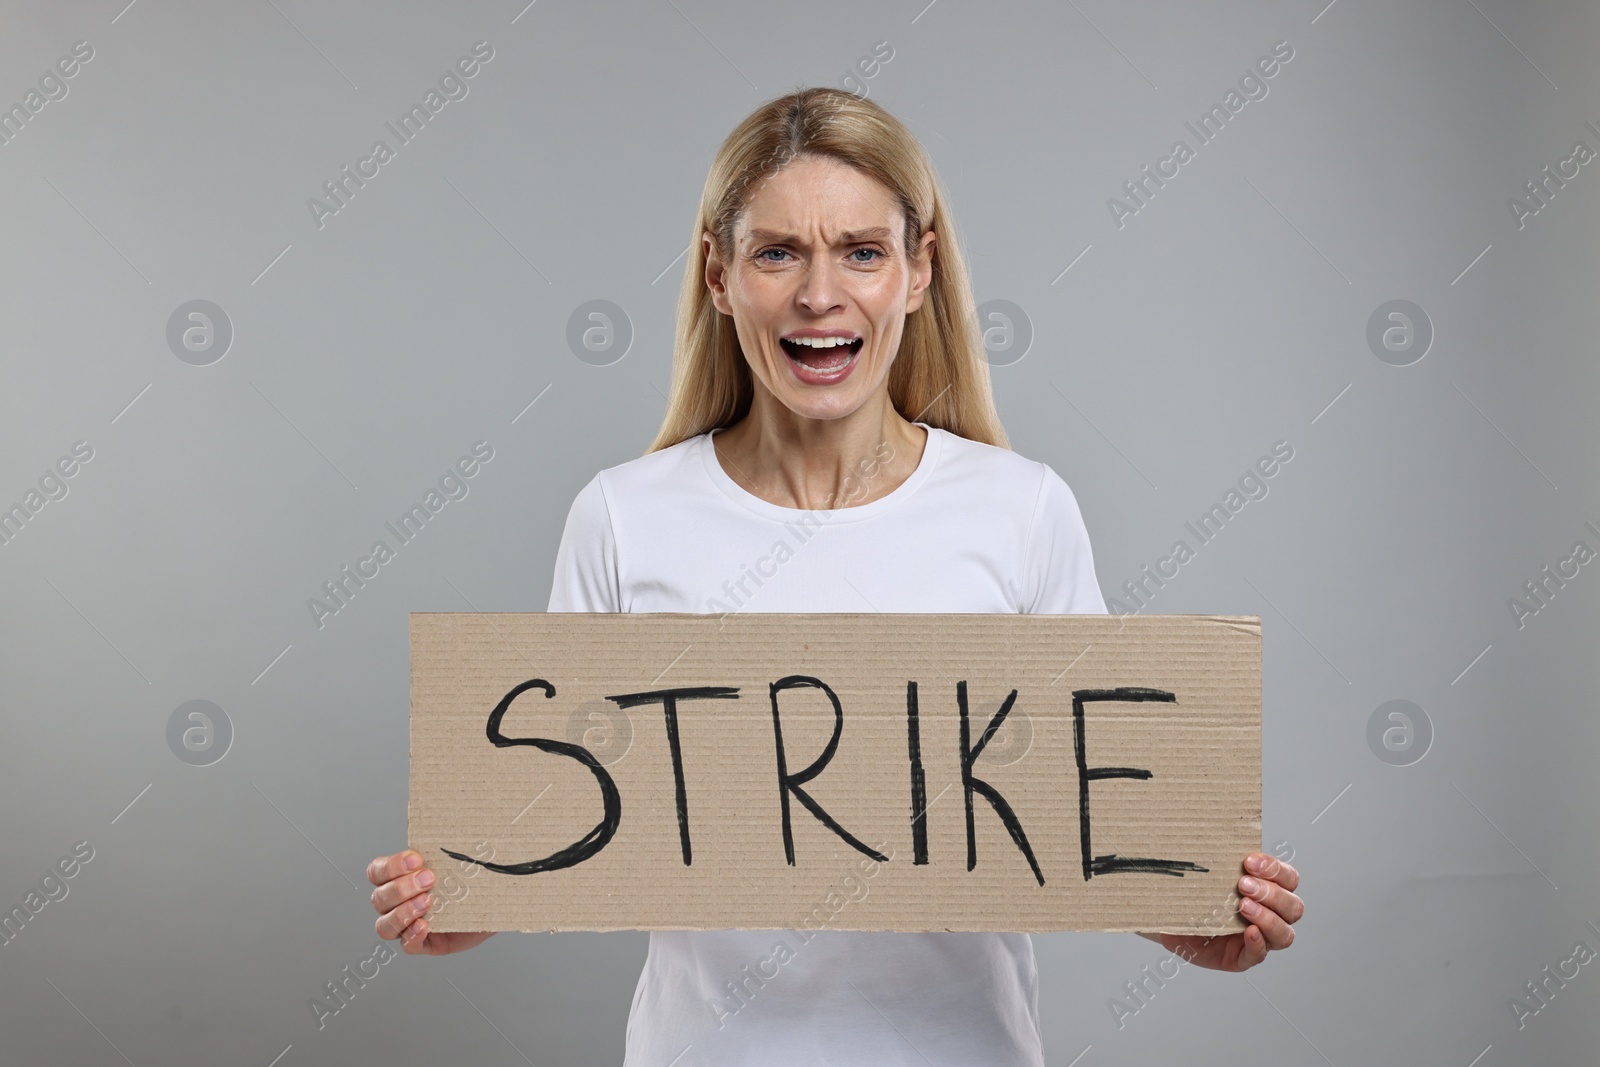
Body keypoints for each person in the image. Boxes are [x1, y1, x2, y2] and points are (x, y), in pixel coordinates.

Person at [368, 85, 1304, 1065]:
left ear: (917, 272)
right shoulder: (621, 516)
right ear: (720, 276)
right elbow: (561, 826)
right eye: (778, 251)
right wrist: (459, 904)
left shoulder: (1021, 509)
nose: (820, 294)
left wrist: (1202, 921)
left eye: (862, 250)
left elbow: (1088, 822)